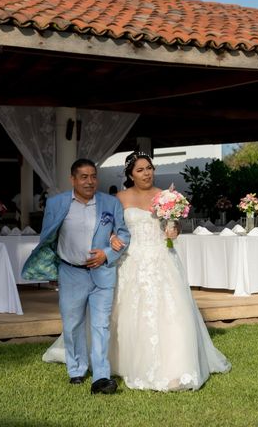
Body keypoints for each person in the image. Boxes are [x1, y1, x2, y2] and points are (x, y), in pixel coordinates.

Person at [44, 152, 230, 392]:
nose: (147, 173)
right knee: (121, 316)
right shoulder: (117, 199)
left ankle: (176, 366)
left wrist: (174, 228)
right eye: (140, 169)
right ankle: (108, 363)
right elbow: (108, 227)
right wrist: (110, 240)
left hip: (162, 258)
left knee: (172, 314)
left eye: (149, 168)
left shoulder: (167, 196)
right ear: (130, 174)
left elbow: (174, 226)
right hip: (130, 261)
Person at [21, 159, 130, 395]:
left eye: (93, 176)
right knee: (72, 325)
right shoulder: (56, 203)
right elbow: (48, 237)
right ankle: (77, 370)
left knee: (101, 325)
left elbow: (123, 234)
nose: (90, 181)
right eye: (84, 177)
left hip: (103, 273)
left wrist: (107, 253)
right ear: (73, 179)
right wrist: (50, 268)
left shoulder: (110, 203)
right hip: (71, 272)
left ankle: (101, 377)